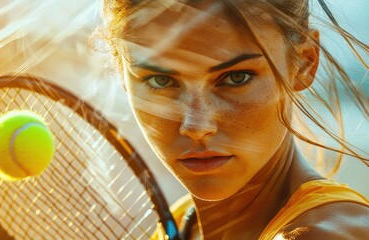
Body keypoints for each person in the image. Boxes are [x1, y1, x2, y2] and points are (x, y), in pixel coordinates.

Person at [99, 0, 369, 239]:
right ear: (122, 75)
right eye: (161, 81)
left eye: (236, 78)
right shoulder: (184, 221)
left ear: (304, 62)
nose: (196, 126)